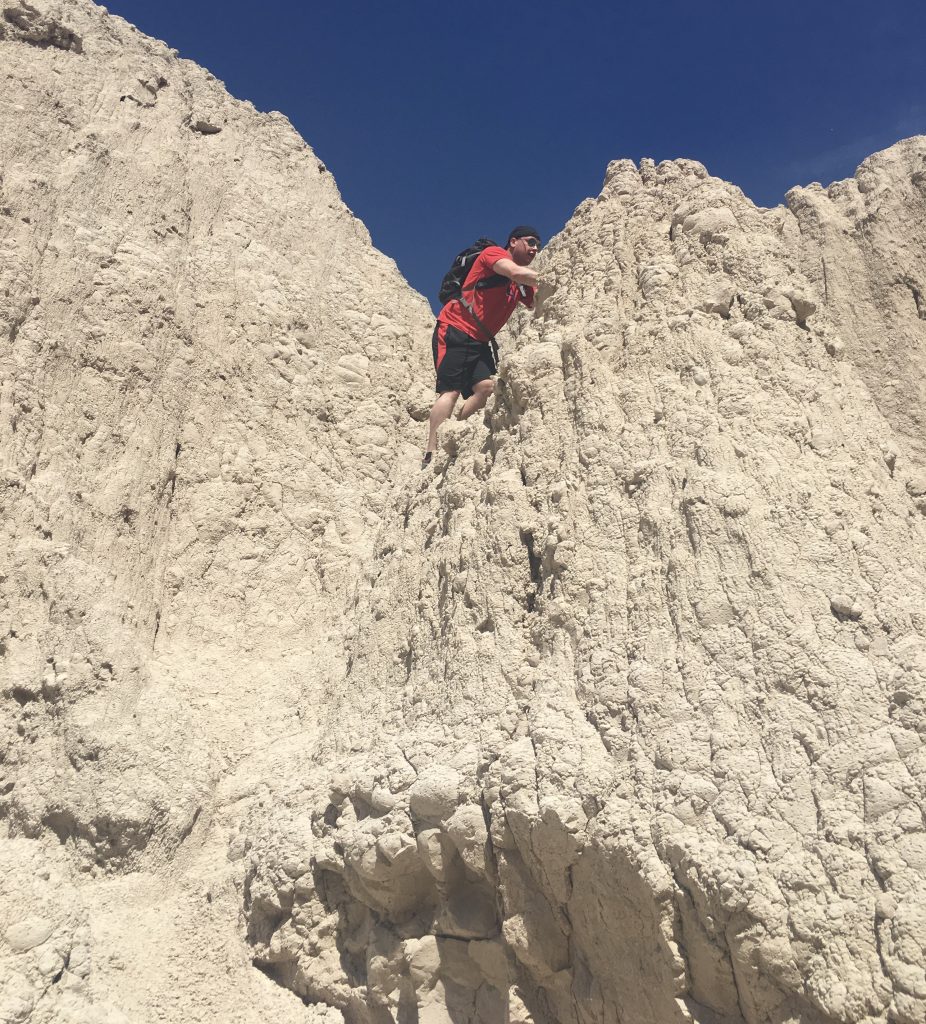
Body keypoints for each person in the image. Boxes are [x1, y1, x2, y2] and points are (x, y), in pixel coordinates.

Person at [423, 226, 542, 465]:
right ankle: (431, 452)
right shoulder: (493, 254)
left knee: (487, 388)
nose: (535, 248)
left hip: (479, 341)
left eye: (538, 245)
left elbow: (534, 302)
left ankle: (454, 433)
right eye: (530, 242)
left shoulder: (519, 284)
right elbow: (513, 272)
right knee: (451, 391)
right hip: (454, 329)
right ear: (513, 242)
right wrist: (548, 276)